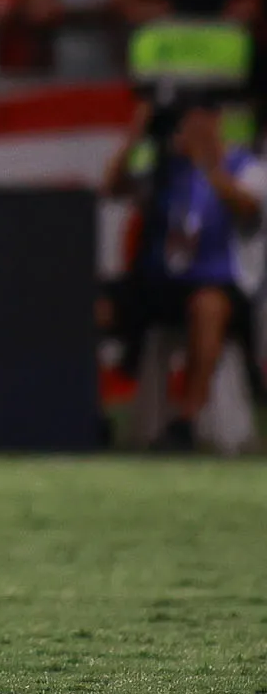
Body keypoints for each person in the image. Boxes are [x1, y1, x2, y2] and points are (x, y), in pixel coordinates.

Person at [103, 92, 264, 449]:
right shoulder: (166, 171)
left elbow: (247, 207)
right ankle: (91, 418)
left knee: (207, 306)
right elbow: (112, 188)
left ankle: (187, 422)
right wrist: (135, 136)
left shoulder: (247, 167)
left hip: (223, 285)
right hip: (162, 284)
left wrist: (207, 163)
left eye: (198, 122)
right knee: (98, 308)